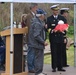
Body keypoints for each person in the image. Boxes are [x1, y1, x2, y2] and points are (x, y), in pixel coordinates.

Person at [47, 4, 67, 72]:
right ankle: (54, 67)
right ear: (52, 11)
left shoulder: (62, 18)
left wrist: (64, 35)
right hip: (53, 38)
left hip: (60, 37)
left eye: (58, 10)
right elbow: (48, 28)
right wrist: (53, 30)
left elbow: (65, 27)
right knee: (54, 53)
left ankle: (60, 66)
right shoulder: (49, 19)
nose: (57, 11)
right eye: (55, 10)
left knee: (60, 53)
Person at [28, 8, 48, 75]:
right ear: (41, 15)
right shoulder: (37, 23)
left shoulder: (37, 22)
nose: (44, 16)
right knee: (39, 58)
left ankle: (39, 71)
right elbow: (36, 35)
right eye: (44, 15)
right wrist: (43, 42)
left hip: (36, 44)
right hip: (37, 44)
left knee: (38, 58)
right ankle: (38, 72)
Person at [26, 3, 38, 73]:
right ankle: (30, 67)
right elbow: (30, 27)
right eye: (36, 8)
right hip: (31, 38)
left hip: (34, 38)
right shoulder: (29, 16)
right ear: (33, 8)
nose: (37, 9)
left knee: (34, 53)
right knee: (31, 52)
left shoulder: (35, 16)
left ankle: (33, 66)